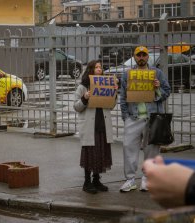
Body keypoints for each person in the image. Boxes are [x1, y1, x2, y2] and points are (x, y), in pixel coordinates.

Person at [119, 46, 171, 192]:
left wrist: (158, 88)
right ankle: (130, 180)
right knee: (128, 147)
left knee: (151, 150)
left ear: (148, 57)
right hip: (133, 117)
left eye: (144, 55)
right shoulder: (127, 74)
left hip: (152, 118)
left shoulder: (157, 73)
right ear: (134, 57)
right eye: (138, 55)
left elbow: (166, 92)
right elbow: (123, 97)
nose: (141, 57)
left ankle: (147, 179)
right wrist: (126, 117)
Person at [73, 60, 116, 194]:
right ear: (90, 70)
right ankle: (87, 182)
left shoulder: (105, 84)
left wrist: (114, 93)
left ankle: (96, 180)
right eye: (96, 67)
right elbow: (76, 107)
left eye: (100, 67)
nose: (99, 69)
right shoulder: (83, 87)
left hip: (102, 124)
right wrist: (85, 98)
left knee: (100, 153)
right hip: (89, 126)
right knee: (90, 154)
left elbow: (111, 106)